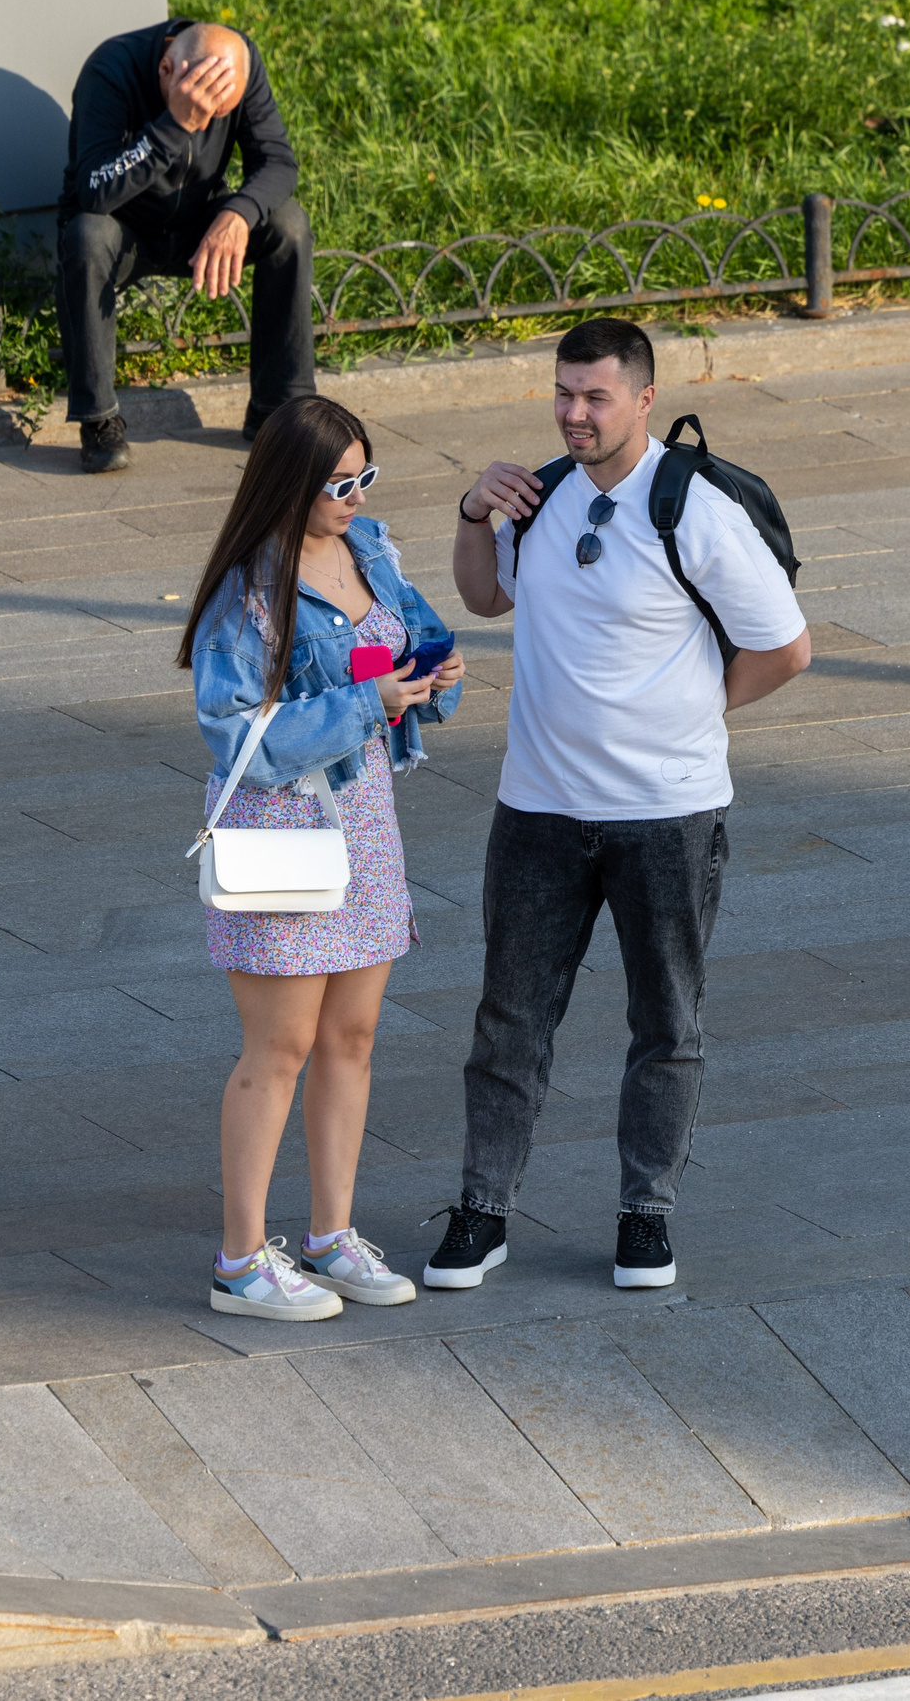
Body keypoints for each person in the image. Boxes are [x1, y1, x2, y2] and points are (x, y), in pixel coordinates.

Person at [427, 318, 811, 1292]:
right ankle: (482, 1210)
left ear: (643, 400)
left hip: (667, 814)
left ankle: (647, 1213)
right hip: (538, 808)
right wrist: (473, 514)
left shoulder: (694, 510)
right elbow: (483, 599)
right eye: (563, 394)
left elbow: (786, 648)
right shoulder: (540, 498)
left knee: (665, 1023)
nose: (574, 414)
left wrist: (693, 713)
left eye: (595, 397)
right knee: (508, 1021)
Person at [179, 394, 464, 1320]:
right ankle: (239, 1261)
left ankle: (331, 1237)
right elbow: (234, 735)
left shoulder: (370, 549)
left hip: (365, 817)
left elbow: (404, 648)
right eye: (339, 483)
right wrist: (367, 704)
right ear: (290, 483)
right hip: (283, 828)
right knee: (282, 1045)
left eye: (364, 476)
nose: (356, 496)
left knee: (352, 1036)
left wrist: (431, 679)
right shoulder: (248, 591)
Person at [59, 18, 317, 474]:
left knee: (289, 225)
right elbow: (94, 190)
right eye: (204, 110)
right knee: (87, 234)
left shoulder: (239, 62)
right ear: (166, 70)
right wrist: (174, 126)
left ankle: (277, 411)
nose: (211, 123)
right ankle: (98, 421)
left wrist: (239, 213)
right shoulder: (110, 70)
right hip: (126, 229)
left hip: (201, 222)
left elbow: (277, 161)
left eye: (222, 112)